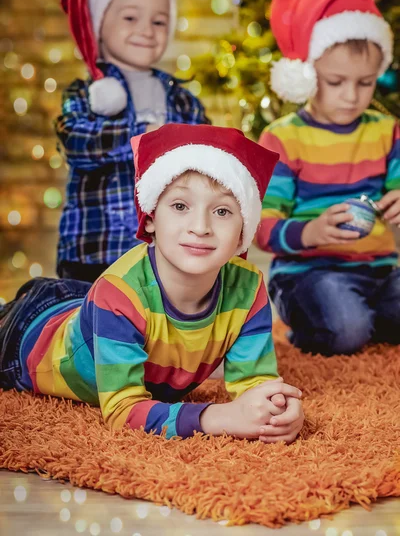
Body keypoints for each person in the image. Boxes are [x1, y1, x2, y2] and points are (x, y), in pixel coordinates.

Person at [0, 124, 304, 443]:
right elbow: (122, 410)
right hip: (29, 334)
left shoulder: (249, 288)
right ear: (149, 218)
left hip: (87, 304)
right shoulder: (118, 294)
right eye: (180, 206)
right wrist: (219, 416)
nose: (200, 227)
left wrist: (278, 410)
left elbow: (256, 385)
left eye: (223, 211)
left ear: (244, 230)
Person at [256, 0, 400, 356]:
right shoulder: (283, 138)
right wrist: (313, 231)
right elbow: (262, 227)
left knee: (358, 320)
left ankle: (369, 318)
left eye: (366, 83)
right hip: (309, 276)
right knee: (347, 328)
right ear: (304, 73)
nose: (351, 96)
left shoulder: (387, 131)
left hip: (380, 273)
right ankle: (325, 326)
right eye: (335, 82)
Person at [55, 0, 210, 283]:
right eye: (130, 18)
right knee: (88, 329)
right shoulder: (86, 94)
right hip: (94, 252)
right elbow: (77, 143)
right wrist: (146, 137)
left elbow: (208, 159)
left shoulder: (183, 101)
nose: (147, 30)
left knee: (157, 328)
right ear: (98, 24)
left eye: (158, 21)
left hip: (163, 253)